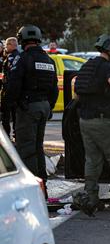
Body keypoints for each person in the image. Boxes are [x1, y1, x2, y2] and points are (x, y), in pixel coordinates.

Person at [74, 34, 110, 212]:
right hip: (102, 120)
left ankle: (91, 198)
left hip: (84, 119)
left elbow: (76, 94)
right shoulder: (108, 68)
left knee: (92, 160)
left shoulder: (87, 65)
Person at [5, 25, 59, 198]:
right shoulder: (48, 60)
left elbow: (13, 86)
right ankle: (43, 187)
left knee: (26, 149)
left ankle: (32, 191)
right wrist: (48, 106)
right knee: (38, 147)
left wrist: (7, 107)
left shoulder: (23, 59)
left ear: (21, 40)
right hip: (43, 106)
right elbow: (54, 89)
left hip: (28, 107)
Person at [1, 37, 20, 138]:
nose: (5, 47)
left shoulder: (12, 57)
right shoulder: (17, 56)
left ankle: (7, 137)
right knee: (15, 115)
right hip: (14, 91)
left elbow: (10, 75)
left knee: (6, 116)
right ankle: (15, 135)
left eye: (7, 45)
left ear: (12, 45)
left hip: (9, 90)